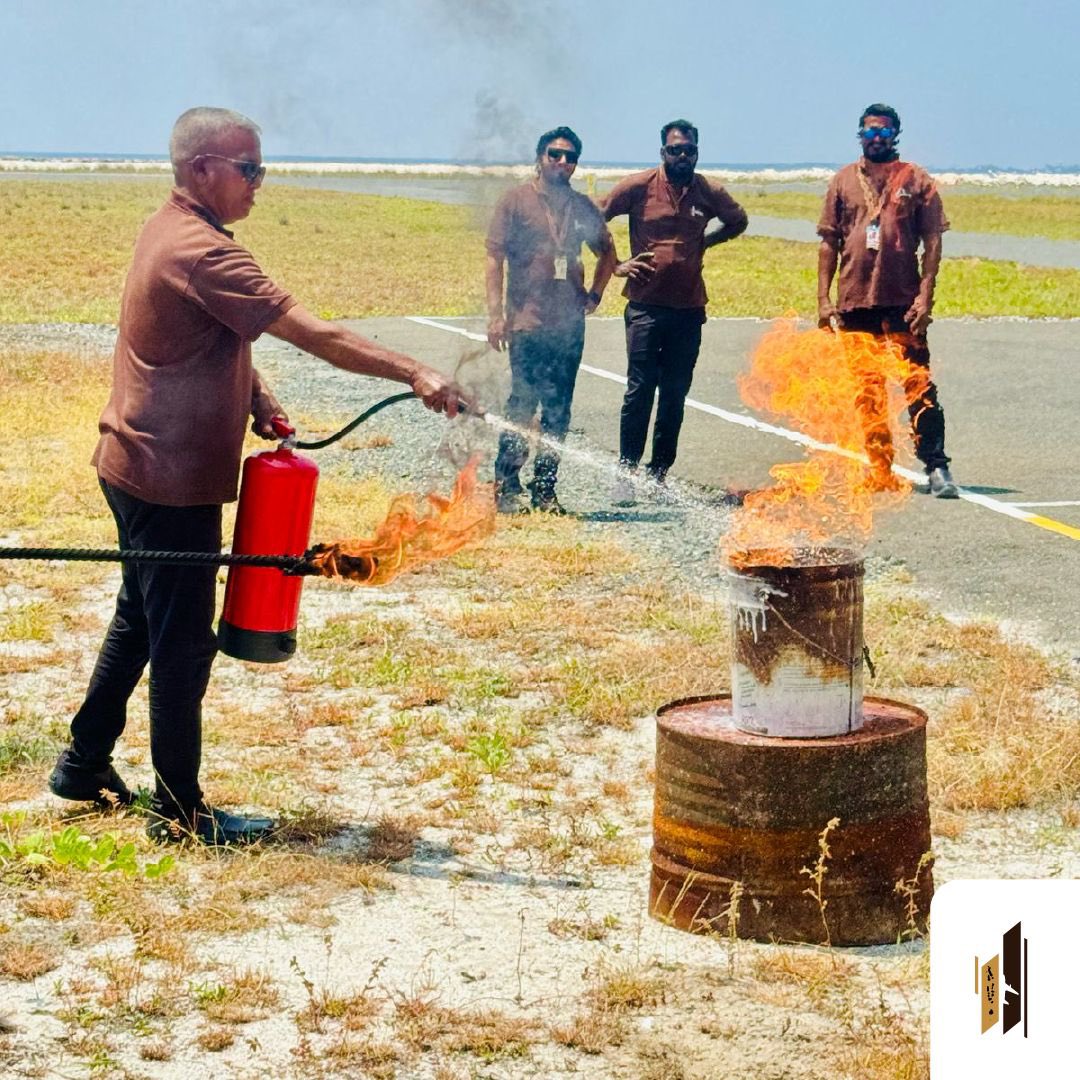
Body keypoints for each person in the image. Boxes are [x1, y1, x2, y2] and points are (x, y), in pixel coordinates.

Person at [47, 107, 470, 845]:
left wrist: (259, 398)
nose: (259, 184)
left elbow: (207, 338)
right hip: (166, 478)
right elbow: (317, 334)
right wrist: (415, 372)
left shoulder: (173, 231)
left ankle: (82, 765)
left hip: (135, 462)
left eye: (261, 169)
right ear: (203, 168)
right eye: (251, 169)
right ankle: (180, 812)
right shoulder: (207, 253)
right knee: (181, 642)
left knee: (141, 619)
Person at [600, 119, 748, 506]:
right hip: (646, 307)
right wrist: (616, 264)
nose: (682, 156)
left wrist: (705, 243)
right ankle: (626, 474)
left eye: (689, 150)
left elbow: (738, 221)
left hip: (688, 309)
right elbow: (594, 218)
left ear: (697, 152)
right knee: (640, 390)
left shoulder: (708, 191)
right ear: (662, 151)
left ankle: (658, 475)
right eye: (674, 150)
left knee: (674, 395)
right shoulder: (638, 187)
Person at [817, 103, 958, 498]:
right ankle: (880, 467)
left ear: (895, 135)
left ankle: (936, 466)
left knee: (918, 385)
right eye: (869, 132)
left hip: (902, 301)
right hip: (855, 300)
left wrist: (925, 298)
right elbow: (829, 241)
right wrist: (823, 300)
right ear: (859, 135)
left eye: (883, 132)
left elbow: (932, 241)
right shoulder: (843, 180)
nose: (876, 138)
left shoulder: (915, 179)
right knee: (868, 389)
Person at [486, 126, 615, 515]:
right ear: (539, 157)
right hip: (526, 323)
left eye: (570, 157)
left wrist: (594, 295)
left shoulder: (581, 207)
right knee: (522, 405)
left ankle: (545, 489)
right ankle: (506, 485)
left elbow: (608, 253)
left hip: (568, 327)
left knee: (559, 410)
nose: (562, 162)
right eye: (555, 154)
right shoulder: (515, 201)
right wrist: (495, 315)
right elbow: (494, 259)